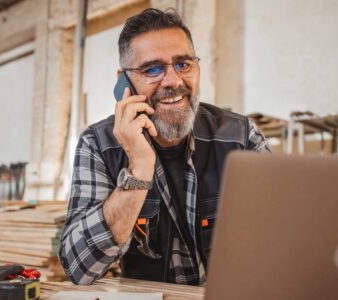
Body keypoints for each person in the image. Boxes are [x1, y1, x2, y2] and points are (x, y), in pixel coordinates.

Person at [59, 8, 270, 286]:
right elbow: (79, 267)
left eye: (183, 64)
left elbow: (279, 241)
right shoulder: (97, 145)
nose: (173, 81)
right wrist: (139, 169)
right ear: (124, 82)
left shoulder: (242, 138)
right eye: (152, 69)